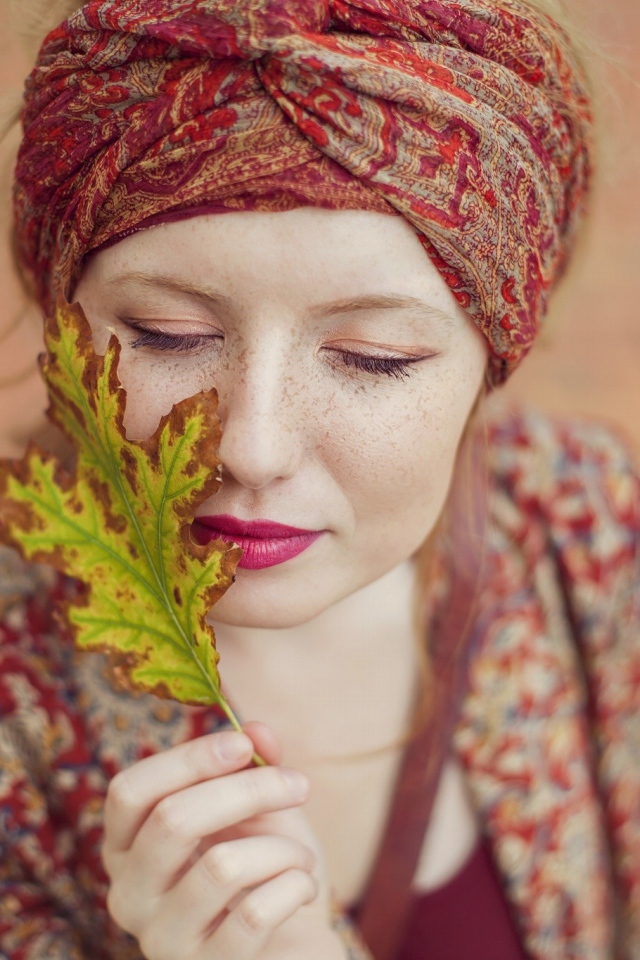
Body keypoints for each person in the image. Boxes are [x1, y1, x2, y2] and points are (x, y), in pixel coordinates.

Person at [0, 1, 639, 959]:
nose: (251, 447)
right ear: (64, 320)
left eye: (372, 357)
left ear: (494, 359)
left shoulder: (590, 526)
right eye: (172, 337)